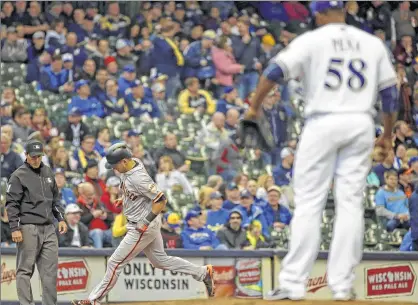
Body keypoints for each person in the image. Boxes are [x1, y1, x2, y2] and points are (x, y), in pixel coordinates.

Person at [246, 1, 398, 300]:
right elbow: (390, 94)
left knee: (309, 202)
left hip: (323, 121)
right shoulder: (371, 43)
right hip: (360, 123)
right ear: (343, 10)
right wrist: (388, 136)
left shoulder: (311, 40)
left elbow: (275, 70)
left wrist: (253, 107)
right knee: (351, 202)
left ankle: (293, 283)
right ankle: (342, 286)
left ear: (318, 14)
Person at [72, 142, 214, 305]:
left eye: (115, 165)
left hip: (142, 225)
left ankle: (93, 300)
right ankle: (203, 273)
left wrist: (145, 222)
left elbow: (161, 200)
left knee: (114, 262)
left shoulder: (138, 177)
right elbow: (135, 191)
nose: (114, 169)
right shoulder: (133, 163)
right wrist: (125, 199)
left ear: (125, 161)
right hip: (143, 220)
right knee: (160, 260)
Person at [6, 139, 67, 305]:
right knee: (25, 271)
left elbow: (55, 199)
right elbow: (11, 204)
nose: (36, 159)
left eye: (39, 156)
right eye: (33, 156)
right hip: (28, 227)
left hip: (49, 227)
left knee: (50, 272)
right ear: (26, 155)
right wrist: (14, 228)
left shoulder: (47, 171)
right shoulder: (18, 175)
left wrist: (60, 218)